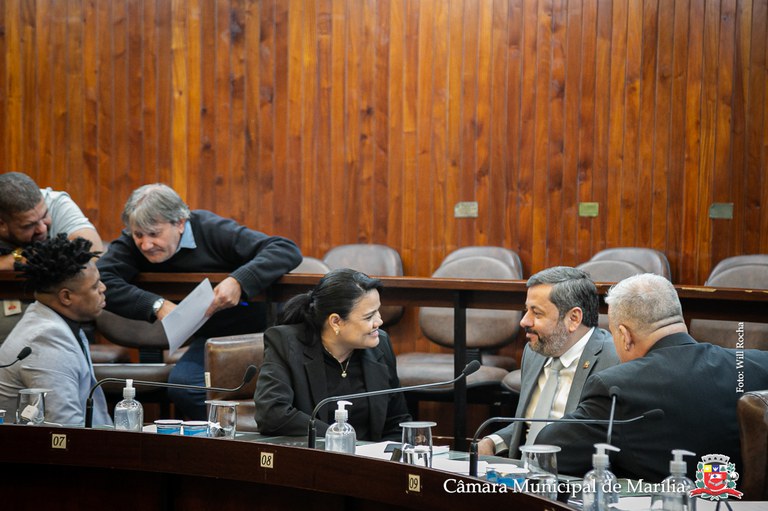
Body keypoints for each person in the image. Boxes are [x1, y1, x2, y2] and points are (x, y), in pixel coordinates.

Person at [96, 183, 302, 419]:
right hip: (211, 338)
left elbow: (285, 249)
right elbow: (100, 279)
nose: (145, 244)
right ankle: (220, 436)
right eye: (138, 235)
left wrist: (239, 281)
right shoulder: (133, 244)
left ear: (180, 223)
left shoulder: (211, 229)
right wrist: (156, 305)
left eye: (154, 234)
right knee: (185, 386)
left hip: (260, 333)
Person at [537, 273, 768, 481]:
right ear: (678, 318)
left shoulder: (617, 387)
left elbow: (548, 450)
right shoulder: (758, 365)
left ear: (625, 336)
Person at [477, 266, 619, 458]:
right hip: (522, 471)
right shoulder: (535, 351)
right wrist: (494, 441)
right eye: (526, 310)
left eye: (537, 313)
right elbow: (532, 423)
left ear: (573, 318)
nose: (524, 321)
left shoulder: (613, 360)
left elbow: (606, 438)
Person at [254, 268, 412, 441]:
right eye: (369, 317)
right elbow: (272, 414)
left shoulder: (380, 345)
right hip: (313, 454)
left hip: (370, 455)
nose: (379, 321)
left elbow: (397, 421)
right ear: (336, 321)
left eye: (378, 311)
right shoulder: (286, 343)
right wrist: (341, 439)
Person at [0, 236, 110, 426]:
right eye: (95, 286)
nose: (103, 288)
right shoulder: (46, 340)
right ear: (66, 297)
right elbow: (64, 428)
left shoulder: (50, 319)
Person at [0, 172, 103, 343]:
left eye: (44, 216)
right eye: (29, 225)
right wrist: (18, 259)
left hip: (60, 319)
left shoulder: (56, 202)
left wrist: (15, 260)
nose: (42, 228)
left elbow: (90, 250)